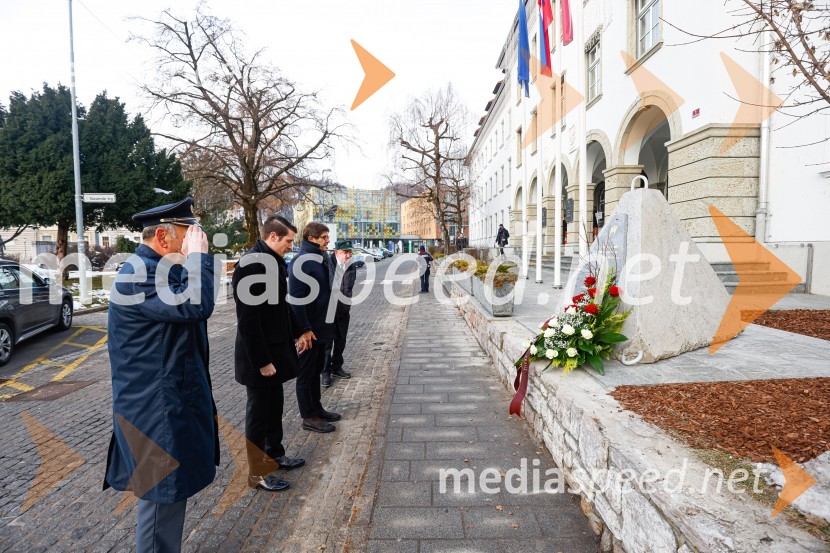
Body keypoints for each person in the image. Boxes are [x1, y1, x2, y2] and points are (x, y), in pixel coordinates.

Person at [104, 197, 218, 553]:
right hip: (153, 411)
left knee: (169, 499)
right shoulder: (140, 275)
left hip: (165, 403)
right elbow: (197, 304)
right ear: (164, 238)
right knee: (160, 502)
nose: (197, 240)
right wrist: (200, 259)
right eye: (189, 234)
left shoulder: (159, 268)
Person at [232, 215, 307, 492]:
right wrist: (262, 361)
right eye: (288, 240)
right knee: (259, 415)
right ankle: (257, 473)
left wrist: (300, 330)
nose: (291, 245)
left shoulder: (272, 261)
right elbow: (248, 319)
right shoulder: (252, 265)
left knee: (274, 408)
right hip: (259, 357)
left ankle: (275, 454)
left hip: (274, 353)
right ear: (273, 237)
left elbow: (280, 307)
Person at [289, 221, 341, 433]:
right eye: (324, 237)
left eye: (327, 237)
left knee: (317, 370)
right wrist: (303, 330)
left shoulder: (321, 257)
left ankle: (317, 408)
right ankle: (308, 416)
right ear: (311, 238)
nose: (328, 240)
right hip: (309, 330)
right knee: (306, 374)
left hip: (322, 327)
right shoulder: (301, 261)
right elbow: (296, 299)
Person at [321, 240, 357, 388]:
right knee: (327, 343)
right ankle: (325, 372)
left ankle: (337, 367)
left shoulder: (351, 265)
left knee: (341, 341)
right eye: (345, 252)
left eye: (350, 252)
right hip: (329, 311)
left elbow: (348, 288)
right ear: (336, 252)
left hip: (343, 310)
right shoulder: (327, 264)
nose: (348, 255)